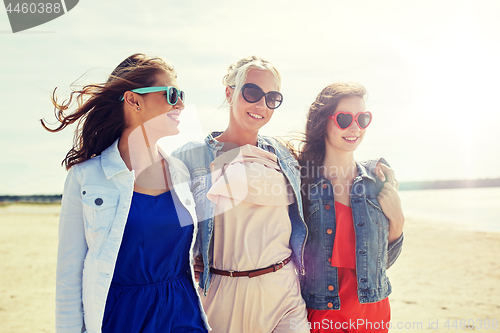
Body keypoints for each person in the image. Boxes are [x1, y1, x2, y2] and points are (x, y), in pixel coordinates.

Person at [172, 57, 395, 333]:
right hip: (222, 292)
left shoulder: (284, 158)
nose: (261, 105)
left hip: (286, 294)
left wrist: (389, 201)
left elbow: (381, 252)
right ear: (229, 92)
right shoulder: (190, 157)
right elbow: (165, 226)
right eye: (252, 92)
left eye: (272, 98)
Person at [43, 53, 209, 333]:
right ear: (134, 100)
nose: (180, 103)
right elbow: (69, 279)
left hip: (183, 316)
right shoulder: (86, 177)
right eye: (170, 94)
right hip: (122, 320)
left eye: (181, 94)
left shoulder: (180, 171)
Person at [298, 82, 404, 333]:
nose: (355, 127)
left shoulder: (376, 181)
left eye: (363, 118)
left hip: (373, 315)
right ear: (323, 121)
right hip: (321, 316)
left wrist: (398, 221)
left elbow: (383, 262)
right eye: (344, 118)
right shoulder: (302, 182)